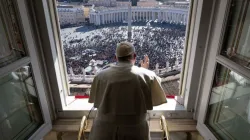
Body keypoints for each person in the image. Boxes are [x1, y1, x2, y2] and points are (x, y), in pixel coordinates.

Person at [88, 41, 167, 140]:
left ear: (116, 57)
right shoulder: (147, 75)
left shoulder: (100, 76)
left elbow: (96, 100)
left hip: (103, 131)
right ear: (134, 56)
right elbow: (156, 97)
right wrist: (144, 70)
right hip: (135, 132)